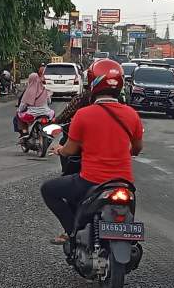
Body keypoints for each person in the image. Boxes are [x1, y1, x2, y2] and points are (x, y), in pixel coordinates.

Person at [41, 59, 144, 245]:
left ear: (93, 82)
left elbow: (71, 149)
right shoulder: (131, 114)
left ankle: (72, 231)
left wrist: (59, 150)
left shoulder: (84, 114)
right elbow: (137, 148)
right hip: (124, 181)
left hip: (91, 180)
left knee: (48, 190)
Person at [16, 72, 54, 139]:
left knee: (18, 114)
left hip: (32, 115)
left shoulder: (29, 91)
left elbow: (23, 105)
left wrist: (19, 110)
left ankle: (24, 132)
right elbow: (49, 101)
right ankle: (50, 131)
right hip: (46, 113)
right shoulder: (44, 89)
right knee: (52, 117)